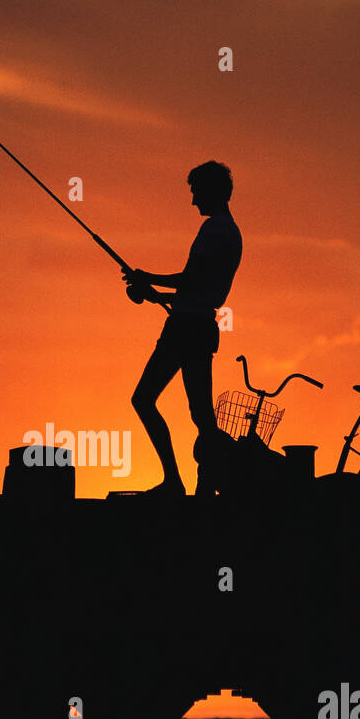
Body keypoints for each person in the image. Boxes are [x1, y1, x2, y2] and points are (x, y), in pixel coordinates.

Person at [122, 160, 242, 497]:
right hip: (200, 326)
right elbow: (199, 288)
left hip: (186, 328)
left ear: (211, 190)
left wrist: (149, 278)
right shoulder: (228, 230)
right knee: (201, 414)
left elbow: (192, 279)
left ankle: (176, 481)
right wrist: (154, 294)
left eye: (195, 192)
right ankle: (210, 484)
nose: (192, 200)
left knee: (144, 399)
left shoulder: (215, 229)